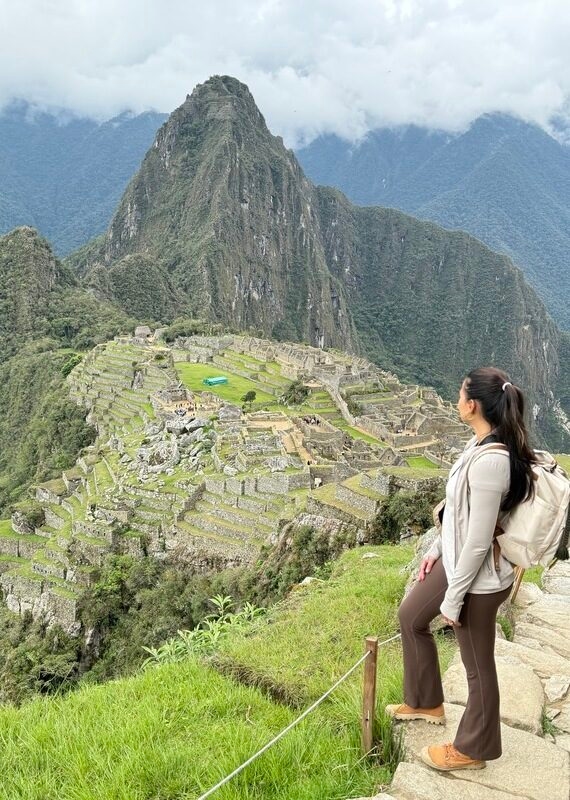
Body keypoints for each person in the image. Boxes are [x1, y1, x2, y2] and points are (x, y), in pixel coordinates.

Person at [386, 367, 535, 771]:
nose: (455, 401)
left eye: (459, 395)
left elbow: (479, 537)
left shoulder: (492, 461)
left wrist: (454, 598)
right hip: (456, 561)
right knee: (411, 615)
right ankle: (425, 701)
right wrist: (436, 548)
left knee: (477, 665)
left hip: (480, 579)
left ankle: (474, 748)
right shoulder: (476, 445)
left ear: (472, 405)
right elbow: (458, 516)